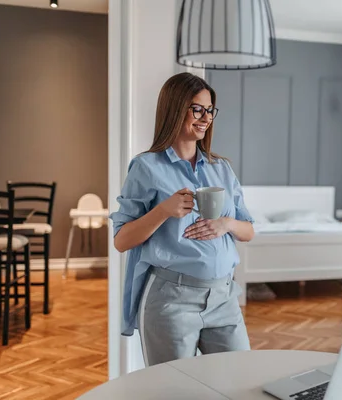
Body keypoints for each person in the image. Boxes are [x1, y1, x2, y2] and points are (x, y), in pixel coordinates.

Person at [110, 72, 255, 366]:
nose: (205, 117)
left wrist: (226, 223)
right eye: (197, 109)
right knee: (173, 391)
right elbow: (122, 240)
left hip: (224, 297)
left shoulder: (222, 168)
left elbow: (248, 230)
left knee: (239, 381)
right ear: (175, 108)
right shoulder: (146, 167)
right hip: (170, 302)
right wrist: (164, 210)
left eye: (210, 110)